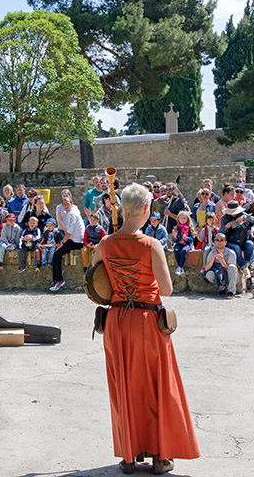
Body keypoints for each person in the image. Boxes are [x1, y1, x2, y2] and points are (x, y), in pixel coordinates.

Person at [91, 183, 199, 474]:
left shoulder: (104, 243)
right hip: (147, 321)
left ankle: (129, 456)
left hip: (116, 320)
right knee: (155, 388)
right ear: (146, 209)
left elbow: (94, 280)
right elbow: (166, 288)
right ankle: (159, 457)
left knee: (123, 386)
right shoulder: (152, 245)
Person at [49, 193, 84, 292]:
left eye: (67, 204)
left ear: (71, 203)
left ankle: (58, 280)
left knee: (56, 254)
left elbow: (68, 233)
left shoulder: (72, 213)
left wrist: (62, 244)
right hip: (73, 239)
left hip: (76, 241)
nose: (65, 206)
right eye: (64, 204)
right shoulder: (72, 212)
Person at [202, 233, 239, 297]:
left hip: (232, 277)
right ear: (215, 242)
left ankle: (231, 291)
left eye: (221, 240)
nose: (219, 242)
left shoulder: (231, 253)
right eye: (217, 240)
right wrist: (212, 259)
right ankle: (222, 287)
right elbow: (206, 268)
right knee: (209, 274)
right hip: (218, 274)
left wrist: (222, 260)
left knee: (232, 267)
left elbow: (229, 269)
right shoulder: (212, 253)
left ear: (225, 242)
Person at [171, 210, 195, 276]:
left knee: (184, 251)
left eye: (184, 218)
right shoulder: (177, 227)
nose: (182, 219)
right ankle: (180, 267)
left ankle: (180, 267)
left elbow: (193, 238)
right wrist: (175, 237)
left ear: (187, 219)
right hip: (179, 243)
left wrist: (187, 238)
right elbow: (174, 240)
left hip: (187, 244)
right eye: (181, 218)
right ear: (178, 218)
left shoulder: (189, 227)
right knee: (176, 250)